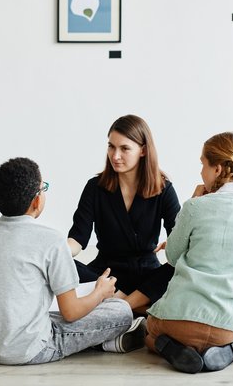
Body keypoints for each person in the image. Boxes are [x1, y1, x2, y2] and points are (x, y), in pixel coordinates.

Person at [0, 157, 142, 365]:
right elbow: (71, 312)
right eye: (43, 188)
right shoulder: (51, 240)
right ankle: (106, 342)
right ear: (36, 200)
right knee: (121, 310)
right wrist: (100, 292)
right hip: (31, 349)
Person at [145, 132, 233, 374]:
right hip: (227, 328)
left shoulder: (195, 206)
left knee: (149, 333)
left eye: (202, 165)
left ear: (218, 169)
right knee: (224, 337)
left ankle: (174, 349)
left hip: (178, 320)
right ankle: (230, 350)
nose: (201, 172)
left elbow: (173, 257)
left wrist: (192, 201)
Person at [67, 114, 180, 312]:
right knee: (63, 265)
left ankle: (121, 306)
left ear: (143, 150)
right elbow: (77, 238)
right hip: (105, 274)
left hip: (147, 275)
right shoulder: (95, 187)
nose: (115, 155)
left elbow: (180, 239)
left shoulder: (164, 189)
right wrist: (57, 253)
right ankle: (133, 307)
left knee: (178, 269)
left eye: (124, 148)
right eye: (111, 146)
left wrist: (174, 244)